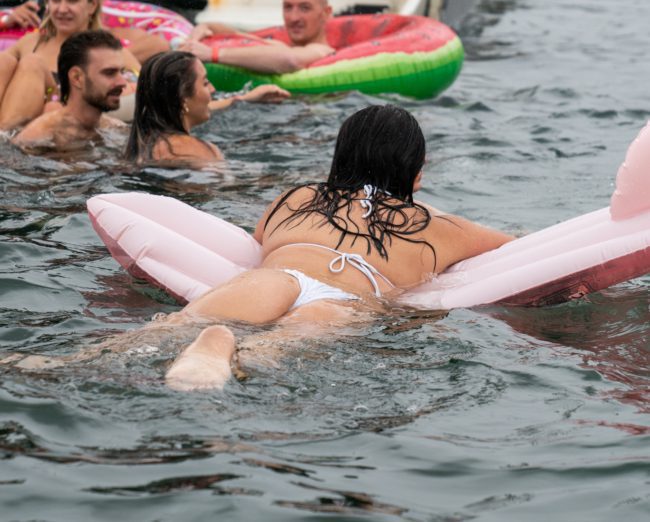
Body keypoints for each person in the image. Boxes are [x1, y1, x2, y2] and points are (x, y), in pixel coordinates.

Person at [154, 104, 513, 389]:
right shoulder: (433, 227)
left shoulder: (296, 198)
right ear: (414, 169)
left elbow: (258, 241)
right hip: (342, 301)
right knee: (267, 353)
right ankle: (237, 355)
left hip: (274, 280)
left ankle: (213, 339)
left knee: (162, 332)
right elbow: (515, 248)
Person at [0, 0, 141, 131]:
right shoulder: (31, 42)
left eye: (72, 0)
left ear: (92, 4)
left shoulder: (108, 52)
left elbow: (142, 91)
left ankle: (5, 143)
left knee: (32, 63)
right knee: (5, 60)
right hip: (21, 122)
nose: (61, 8)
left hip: (56, 127)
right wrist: (6, 22)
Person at [124, 50, 290, 166]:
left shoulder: (139, 145)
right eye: (205, 83)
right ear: (183, 97)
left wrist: (244, 99)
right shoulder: (200, 151)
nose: (212, 89)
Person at [180, 0, 335, 74]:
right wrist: (194, 39)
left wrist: (212, 54)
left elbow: (290, 60)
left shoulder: (321, 51)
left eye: (304, 8)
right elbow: (214, 28)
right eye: (288, 7)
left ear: (326, 13)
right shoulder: (278, 43)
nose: (293, 17)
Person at [11, 31, 129, 151]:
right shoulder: (38, 137)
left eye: (122, 72)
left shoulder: (117, 130)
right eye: (109, 73)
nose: (122, 82)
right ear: (77, 78)